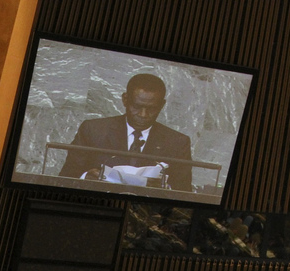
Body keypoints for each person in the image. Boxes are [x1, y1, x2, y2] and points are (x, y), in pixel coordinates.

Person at [59, 73, 193, 192]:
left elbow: (183, 191)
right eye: (137, 106)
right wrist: (85, 177)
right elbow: (66, 177)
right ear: (125, 100)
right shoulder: (93, 130)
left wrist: (164, 188)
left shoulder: (177, 142)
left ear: (162, 105)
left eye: (151, 109)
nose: (143, 114)